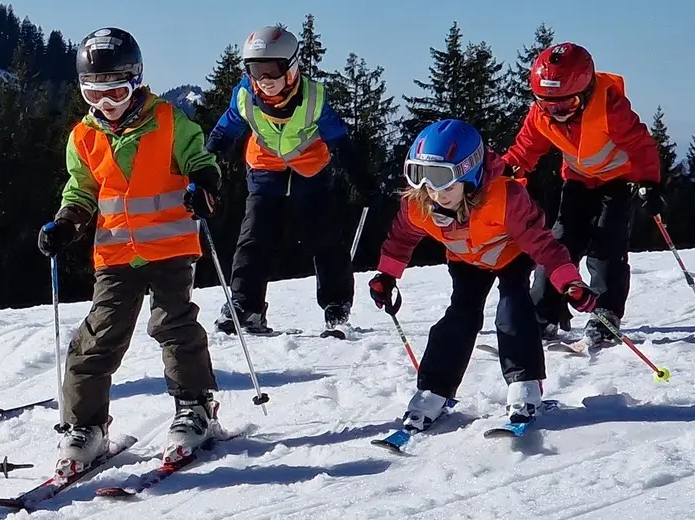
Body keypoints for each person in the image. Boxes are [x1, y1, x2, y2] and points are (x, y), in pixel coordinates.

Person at [39, 27, 224, 476]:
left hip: (170, 246)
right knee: (98, 337)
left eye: (116, 91)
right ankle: (86, 426)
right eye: (93, 93)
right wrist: (66, 224)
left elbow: (201, 161)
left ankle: (194, 408)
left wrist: (204, 186)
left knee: (173, 324)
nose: (106, 104)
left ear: (136, 81)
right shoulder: (83, 137)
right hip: (116, 254)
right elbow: (80, 190)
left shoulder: (169, 120)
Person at [368, 120, 599, 434]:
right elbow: (400, 241)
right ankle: (434, 390)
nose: (437, 195)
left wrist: (569, 282)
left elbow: (544, 245)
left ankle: (524, 384)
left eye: (447, 185)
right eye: (427, 183)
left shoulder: (506, 198)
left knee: (513, 310)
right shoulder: (419, 204)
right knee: (460, 317)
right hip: (466, 262)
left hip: (510, 257)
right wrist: (386, 276)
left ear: (471, 174)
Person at [205, 24, 382, 338]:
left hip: (310, 173)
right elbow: (225, 132)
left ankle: (336, 304)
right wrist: (203, 166)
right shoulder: (245, 95)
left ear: (291, 68)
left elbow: (340, 141)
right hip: (264, 172)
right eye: (255, 71)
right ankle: (246, 306)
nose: (264, 80)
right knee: (254, 236)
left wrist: (362, 179)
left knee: (325, 237)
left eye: (271, 70)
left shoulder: (314, 98)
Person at [496, 42, 662, 348]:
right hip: (577, 180)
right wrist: (506, 172)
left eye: (566, 105)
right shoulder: (541, 115)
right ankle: (543, 313)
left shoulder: (610, 107)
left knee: (607, 245)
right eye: (547, 105)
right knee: (558, 243)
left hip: (617, 181)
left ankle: (605, 314)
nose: (556, 113)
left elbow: (640, 144)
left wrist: (649, 182)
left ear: (585, 93)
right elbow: (525, 150)